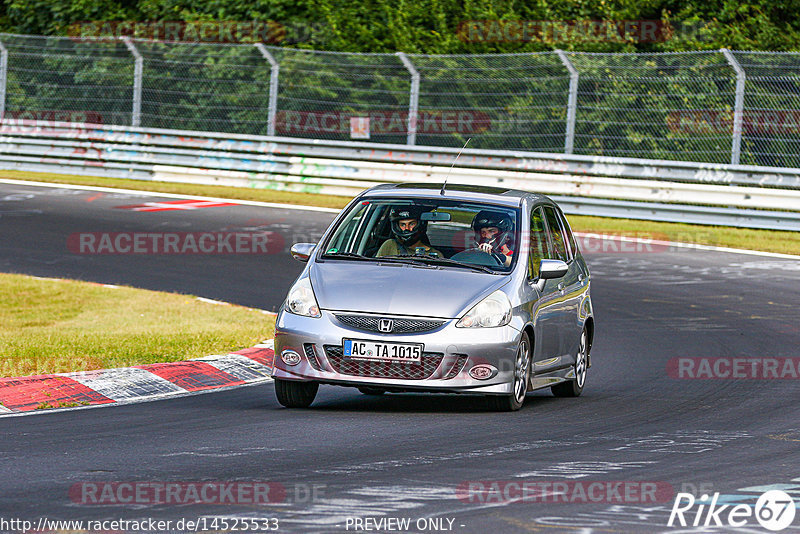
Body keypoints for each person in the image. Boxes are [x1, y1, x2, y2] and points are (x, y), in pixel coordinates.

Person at [376, 205, 442, 257]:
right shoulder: (390, 246)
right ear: (397, 227)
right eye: (402, 225)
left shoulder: (435, 255)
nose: (407, 228)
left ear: (420, 225)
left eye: (412, 224)